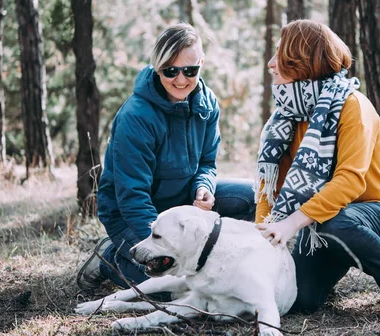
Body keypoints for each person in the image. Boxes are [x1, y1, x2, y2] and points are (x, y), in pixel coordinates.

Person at [255, 19, 380, 321]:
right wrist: (263, 235)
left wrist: (290, 224)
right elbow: (271, 187)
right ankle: (326, 272)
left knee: (333, 225)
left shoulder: (353, 106)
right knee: (301, 300)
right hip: (317, 220)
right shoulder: (286, 115)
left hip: (377, 213)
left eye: (280, 55)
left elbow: (350, 181)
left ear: (303, 62)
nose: (271, 63)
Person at [77, 23, 255, 290]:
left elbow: (207, 162)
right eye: (170, 71)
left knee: (254, 197)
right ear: (157, 66)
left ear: (201, 64)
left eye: (190, 70)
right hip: (132, 216)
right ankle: (111, 258)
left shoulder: (208, 104)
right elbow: (132, 198)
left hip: (183, 205)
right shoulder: (136, 117)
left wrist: (203, 187)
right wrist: (170, 245)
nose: (181, 80)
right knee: (172, 288)